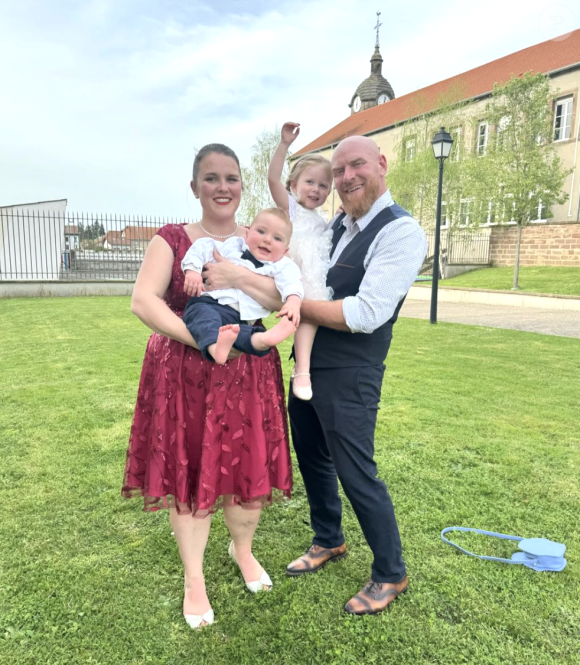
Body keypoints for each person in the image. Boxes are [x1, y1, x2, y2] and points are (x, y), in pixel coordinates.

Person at [122, 144, 293, 630]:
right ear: (195, 187)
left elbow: (280, 295)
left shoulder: (260, 239)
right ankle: (194, 579)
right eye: (212, 178)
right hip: (186, 377)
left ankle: (243, 551)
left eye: (232, 178)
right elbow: (143, 301)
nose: (223, 187)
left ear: (243, 186)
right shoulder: (173, 240)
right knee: (192, 475)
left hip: (248, 375)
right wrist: (200, 339)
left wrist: (239, 276)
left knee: (247, 477)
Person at [286, 135, 428, 615]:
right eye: (339, 170)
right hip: (308, 367)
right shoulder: (334, 227)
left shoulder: (400, 230)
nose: (346, 177)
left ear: (382, 165)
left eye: (356, 165)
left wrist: (286, 303)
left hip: (352, 372)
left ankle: (391, 572)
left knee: (355, 471)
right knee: (312, 459)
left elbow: (366, 312)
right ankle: (329, 538)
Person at [181, 207, 303, 364]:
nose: (267, 240)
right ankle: (215, 348)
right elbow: (203, 247)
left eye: (277, 238)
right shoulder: (234, 246)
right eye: (261, 231)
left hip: (242, 318)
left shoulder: (283, 266)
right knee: (203, 319)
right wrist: (192, 271)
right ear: (247, 234)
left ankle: (265, 338)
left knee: (243, 333)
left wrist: (293, 301)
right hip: (210, 303)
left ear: (285, 249)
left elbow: (292, 282)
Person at [268, 122, 333, 401]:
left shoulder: (323, 221)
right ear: (294, 185)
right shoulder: (290, 207)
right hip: (284, 270)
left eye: (323, 185)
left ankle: (302, 369)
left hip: (308, 278)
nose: (316, 190)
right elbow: (272, 179)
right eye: (309, 182)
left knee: (311, 312)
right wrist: (284, 145)